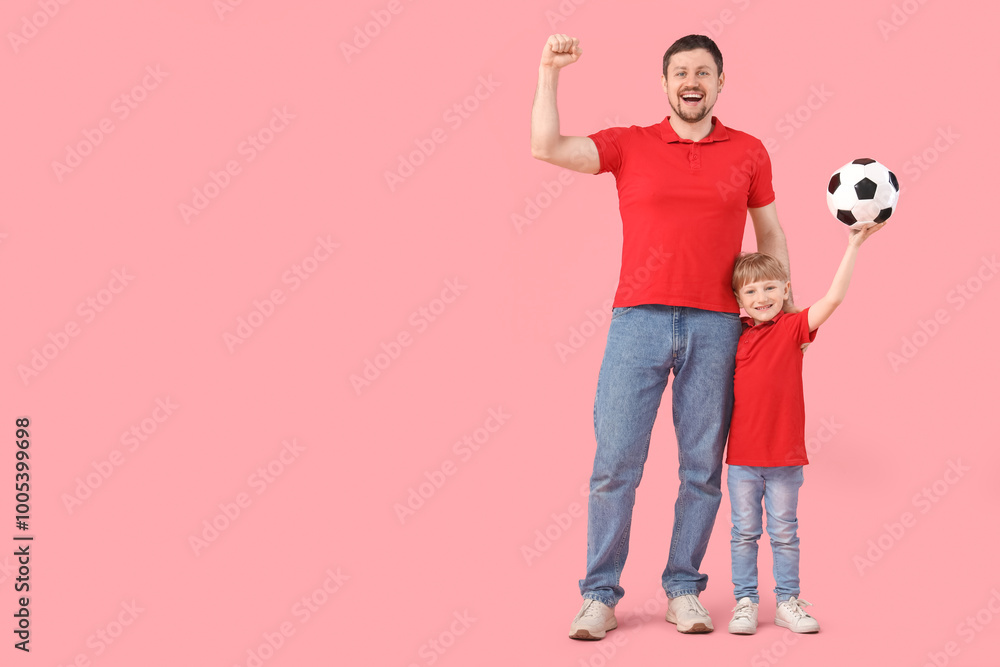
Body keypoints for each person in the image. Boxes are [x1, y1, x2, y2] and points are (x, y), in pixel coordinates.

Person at [530, 33, 797, 639]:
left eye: (703, 71)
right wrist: (549, 72)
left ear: (720, 83)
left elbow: (771, 236)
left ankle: (683, 588)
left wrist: (784, 312)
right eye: (680, 71)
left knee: (701, 467)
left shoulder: (750, 151)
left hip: (718, 323)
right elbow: (543, 146)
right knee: (615, 463)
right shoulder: (631, 144)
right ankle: (599, 595)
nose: (691, 80)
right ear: (665, 84)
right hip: (639, 320)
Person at [725, 223, 884, 635]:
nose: (762, 298)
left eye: (770, 288)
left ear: (785, 289)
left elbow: (833, 298)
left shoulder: (794, 330)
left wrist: (852, 246)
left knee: (784, 534)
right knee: (744, 533)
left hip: (785, 459)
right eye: (752, 292)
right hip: (742, 459)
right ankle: (745, 602)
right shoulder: (734, 338)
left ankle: (787, 602)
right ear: (739, 300)